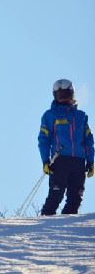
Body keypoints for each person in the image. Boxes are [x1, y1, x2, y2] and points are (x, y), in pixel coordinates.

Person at [38, 79, 94, 215]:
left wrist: (91, 160)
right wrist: (45, 161)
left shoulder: (81, 116)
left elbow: (88, 139)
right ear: (55, 96)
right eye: (60, 95)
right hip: (60, 160)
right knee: (56, 194)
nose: (63, 98)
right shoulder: (50, 115)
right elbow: (43, 139)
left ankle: (65, 225)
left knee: (76, 197)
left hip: (78, 161)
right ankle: (44, 222)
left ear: (72, 94)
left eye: (66, 94)